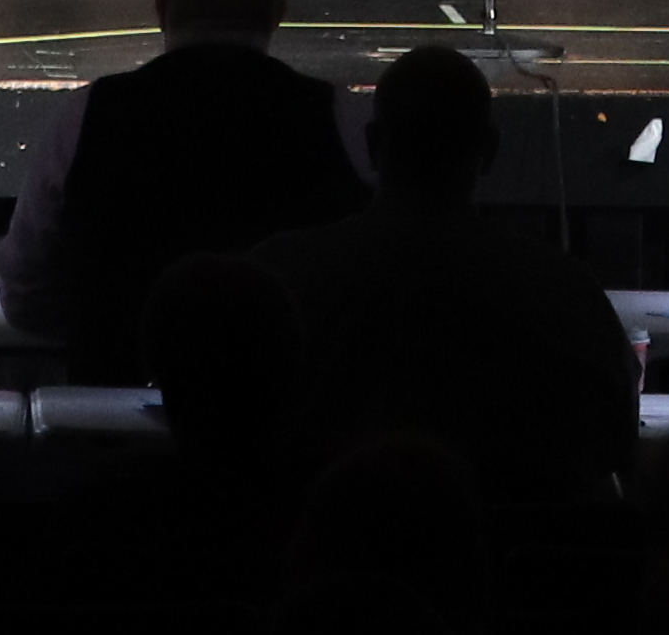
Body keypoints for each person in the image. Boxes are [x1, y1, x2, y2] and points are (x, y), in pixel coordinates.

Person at [256, 43, 634, 503]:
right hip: (506, 563)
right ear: (489, 150)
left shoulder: (280, 277)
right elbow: (615, 436)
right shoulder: (562, 290)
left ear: (374, 146)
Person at [0, 0, 367, 367]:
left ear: (162, 9)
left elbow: (26, 293)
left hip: (114, 412)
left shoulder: (89, 115)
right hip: (293, 423)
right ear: (277, 14)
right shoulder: (337, 118)